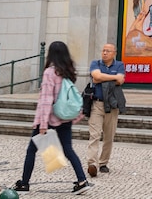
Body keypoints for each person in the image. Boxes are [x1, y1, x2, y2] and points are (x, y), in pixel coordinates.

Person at [13, 41, 94, 195]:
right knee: (68, 150)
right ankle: (82, 181)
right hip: (64, 117)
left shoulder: (50, 72)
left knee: (31, 150)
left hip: (49, 118)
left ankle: (24, 184)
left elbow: (46, 100)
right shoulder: (68, 71)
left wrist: (42, 124)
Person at [86, 43, 126, 178]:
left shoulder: (119, 65)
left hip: (112, 106)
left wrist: (104, 78)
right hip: (97, 104)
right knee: (94, 134)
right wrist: (113, 78)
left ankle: (103, 163)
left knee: (109, 136)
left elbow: (121, 81)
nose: (104, 53)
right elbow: (96, 76)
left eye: (108, 51)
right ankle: (92, 164)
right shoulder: (95, 63)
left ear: (114, 53)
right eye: (103, 50)